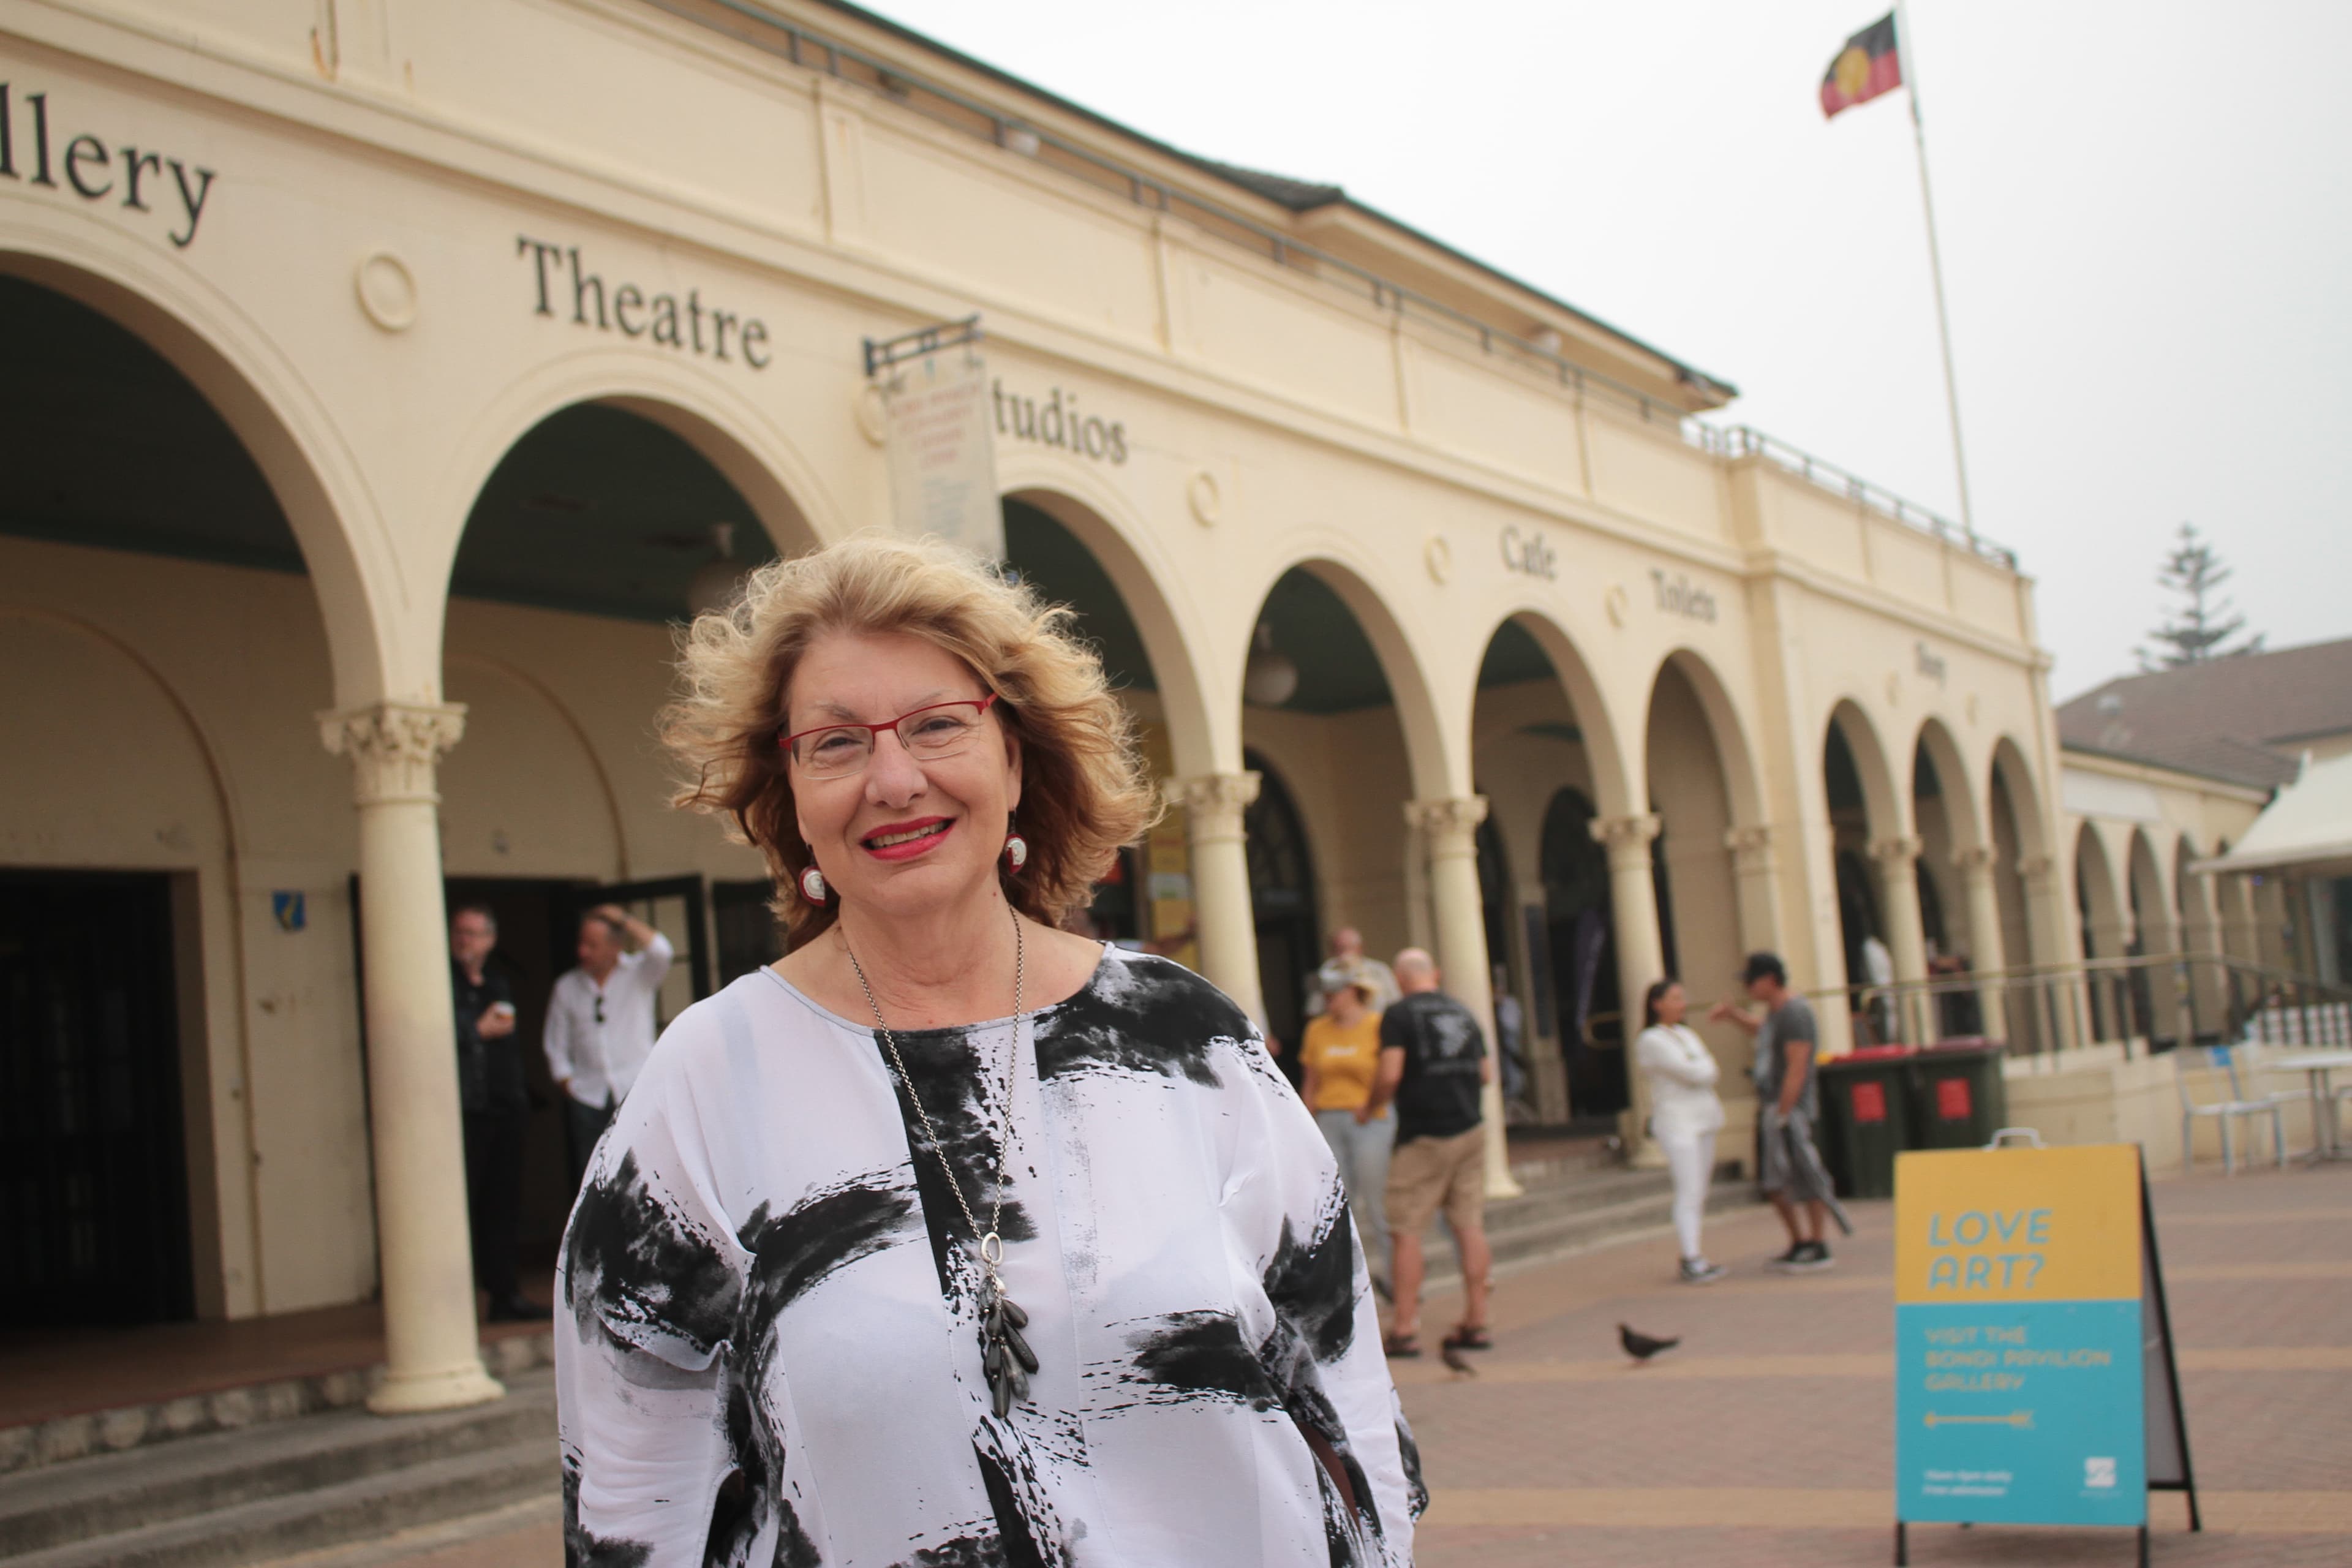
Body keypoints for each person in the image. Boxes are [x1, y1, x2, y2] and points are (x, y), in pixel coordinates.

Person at [557, 536, 1420, 1567]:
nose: (893, 778)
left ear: (1013, 756)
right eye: (835, 743)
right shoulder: (712, 1075)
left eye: (937, 725)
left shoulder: (1188, 1038)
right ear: (789, 792)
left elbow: (1347, 1398)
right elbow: (628, 1489)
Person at [1365, 948, 1492, 1359]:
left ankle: (1405, 1328)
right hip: (1470, 1128)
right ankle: (1477, 1319)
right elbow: (1486, 1073)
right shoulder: (1464, 1012)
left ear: (1401, 979)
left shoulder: (1399, 1015)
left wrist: (1372, 1105)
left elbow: (1391, 1072)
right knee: (1469, 1225)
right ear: (1434, 974)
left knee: (1406, 1231)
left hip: (1424, 1135)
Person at [1709, 952, 1852, 1271]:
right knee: (1775, 1180)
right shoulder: (1776, 1014)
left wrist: (1784, 1113)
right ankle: (1800, 1241)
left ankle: (1817, 1243)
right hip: (1773, 1106)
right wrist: (1734, 1016)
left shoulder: (1795, 1012)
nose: (1747, 987)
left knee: (1803, 1173)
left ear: (1770, 980)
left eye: (1751, 980)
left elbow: (1797, 1067)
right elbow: (1764, 1031)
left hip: (1788, 1109)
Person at [449, 905, 541, 1321]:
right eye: (459, 932)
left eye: (473, 934)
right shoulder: (442, 982)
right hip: (465, 1112)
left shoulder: (497, 983)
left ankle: (504, 1294)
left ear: (490, 940)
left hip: (505, 1109)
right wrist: (475, 1031)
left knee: (503, 1205)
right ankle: (455, 1302)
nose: (464, 941)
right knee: (462, 1205)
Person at [542, 902, 674, 1193]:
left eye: (593, 945)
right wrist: (567, 1082)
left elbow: (663, 951)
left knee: (644, 1174)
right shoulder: (567, 986)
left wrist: (623, 919)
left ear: (615, 947)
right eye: (582, 943)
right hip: (588, 1096)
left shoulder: (638, 973)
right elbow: (555, 1043)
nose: (583, 952)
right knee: (595, 1181)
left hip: (635, 1090)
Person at [1299, 971, 1393, 1289]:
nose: (1329, 1002)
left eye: (1334, 995)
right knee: (1336, 1202)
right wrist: (1305, 1124)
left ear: (1352, 992)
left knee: (1378, 1201)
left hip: (1369, 1118)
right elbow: (1311, 1081)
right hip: (1330, 1118)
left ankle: (1396, 1278)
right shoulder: (1317, 1029)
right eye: (1325, 996)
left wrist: (1373, 1105)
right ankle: (1344, 1283)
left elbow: (1389, 1073)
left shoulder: (1377, 1025)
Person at [1634, 978, 1727, 1285]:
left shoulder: (1687, 1034)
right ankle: (1690, 1256)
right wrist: (1700, 1068)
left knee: (1699, 1189)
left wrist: (1701, 1068)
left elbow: (1710, 1069)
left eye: (1682, 998)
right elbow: (1691, 1072)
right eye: (1674, 998)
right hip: (1677, 1122)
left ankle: (1696, 1252)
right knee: (1689, 1189)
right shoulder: (1651, 1039)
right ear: (1657, 1004)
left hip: (1704, 1118)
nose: (1681, 1004)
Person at [1308, 926, 1401, 1018]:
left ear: (1360, 949)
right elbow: (1313, 1010)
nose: (1344, 954)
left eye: (1348, 948)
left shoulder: (1380, 970)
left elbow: (1395, 1003)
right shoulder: (1326, 972)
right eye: (1338, 949)